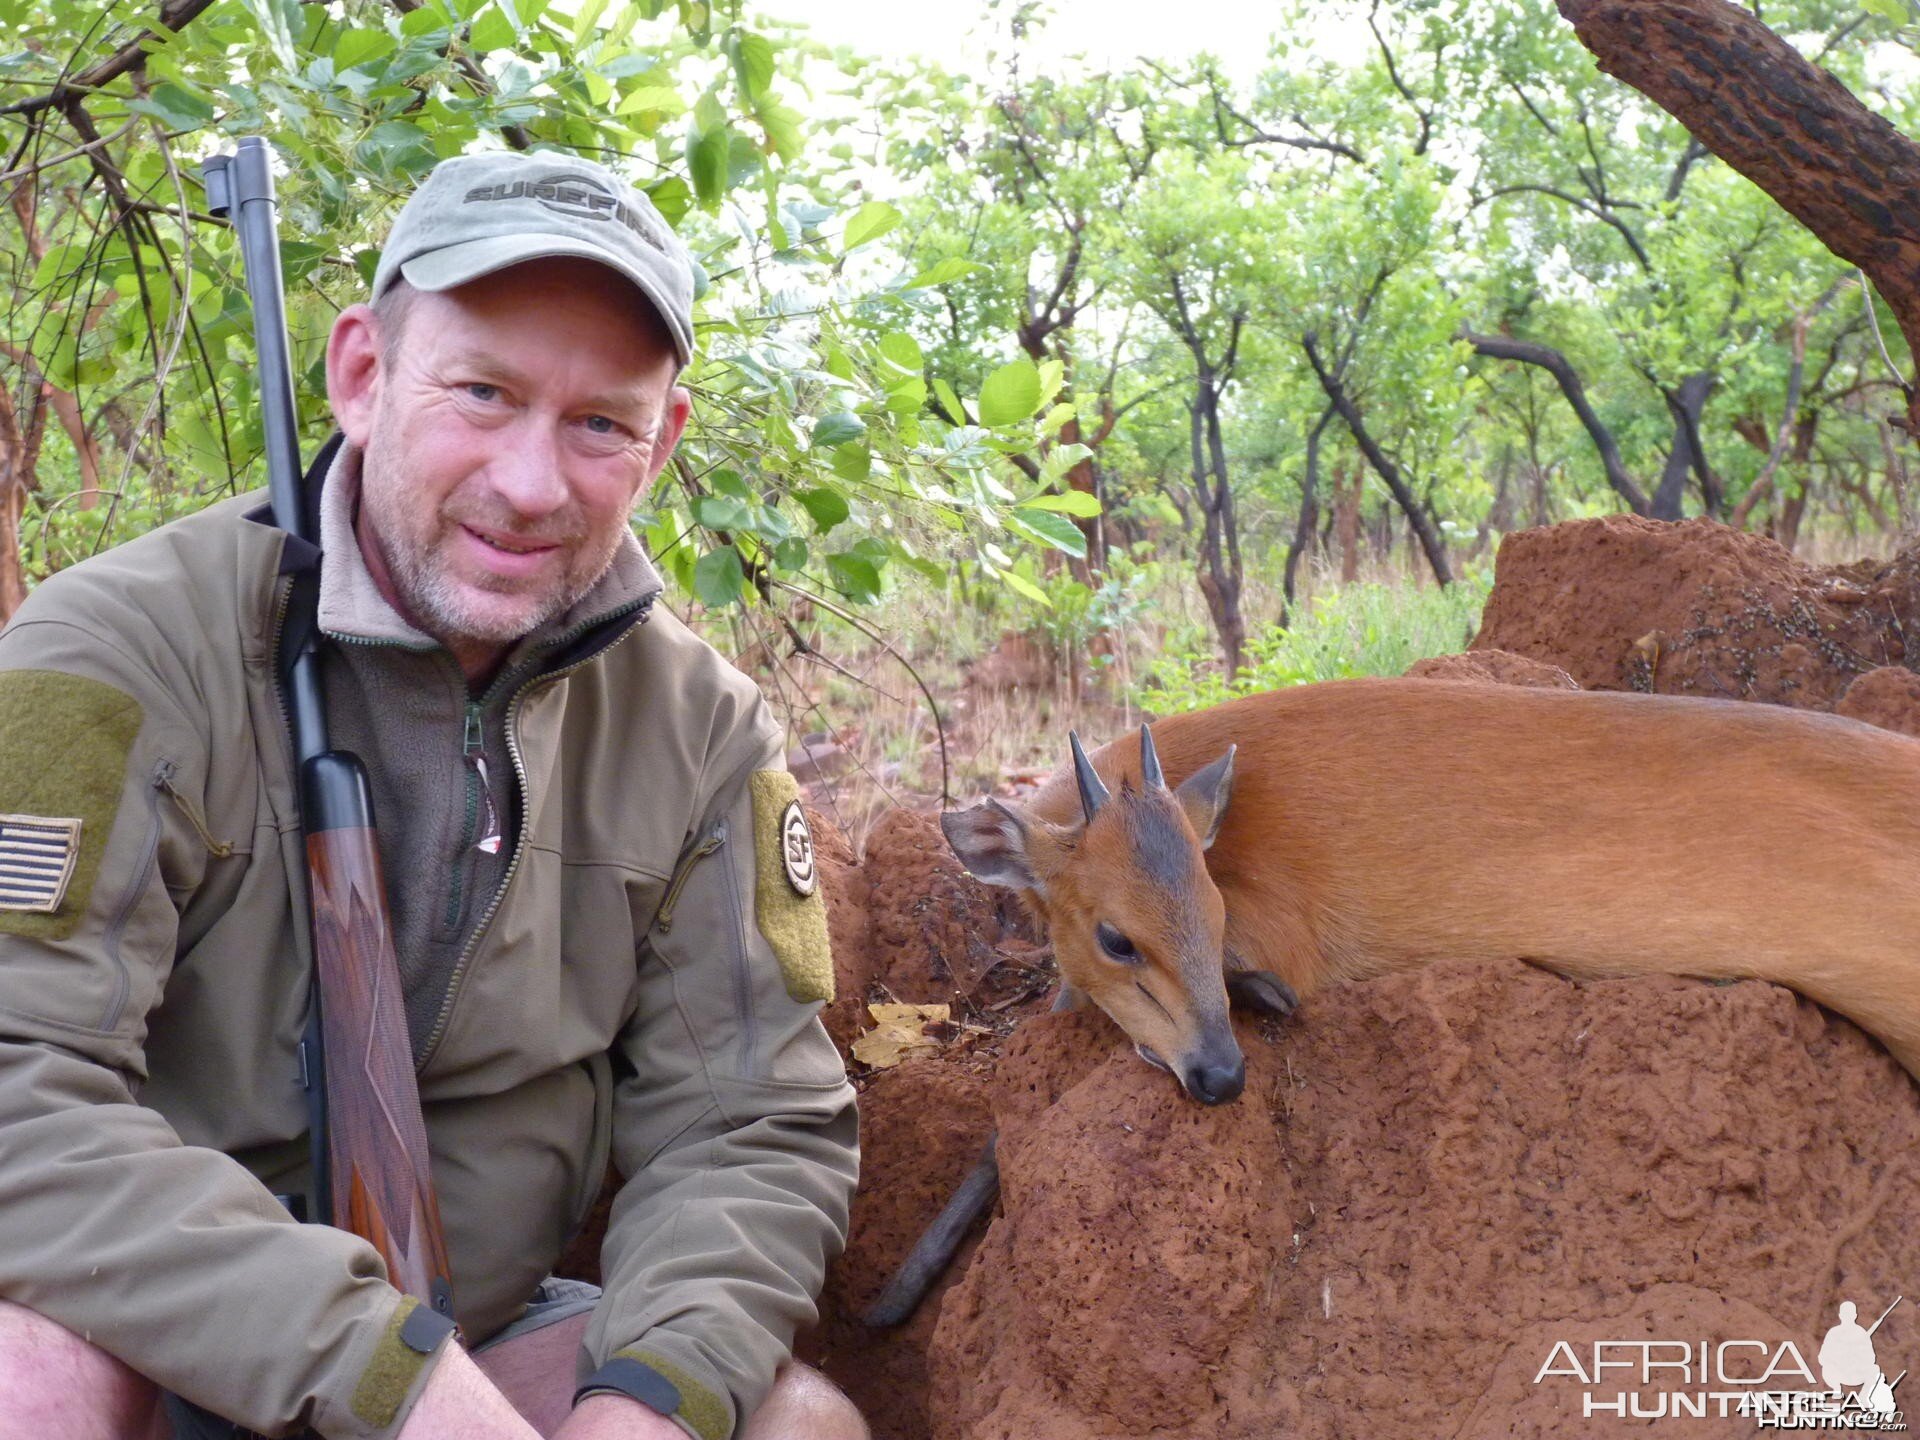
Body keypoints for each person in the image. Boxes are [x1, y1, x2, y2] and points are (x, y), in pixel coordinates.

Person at [0, 150, 864, 1440]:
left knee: (792, 1422)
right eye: (482, 392)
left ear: (661, 443)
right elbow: (18, 1091)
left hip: (483, 1336)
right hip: (145, 1331)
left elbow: (752, 1122)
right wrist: (380, 1376)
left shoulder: (701, 726)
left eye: (599, 423)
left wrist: (651, 1401)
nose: (530, 484)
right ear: (361, 374)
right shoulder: (110, 657)